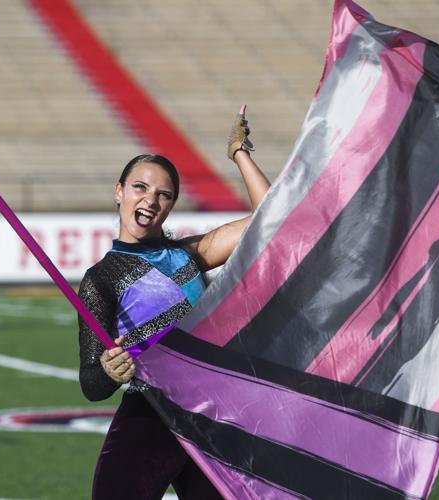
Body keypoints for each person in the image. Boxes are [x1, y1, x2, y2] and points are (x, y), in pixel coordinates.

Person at [77, 105, 270, 499]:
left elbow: (271, 216)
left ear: (171, 206)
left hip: (213, 414)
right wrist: (109, 372)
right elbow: (91, 385)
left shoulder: (190, 254)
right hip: (152, 412)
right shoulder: (100, 280)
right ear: (119, 191)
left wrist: (239, 152)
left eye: (164, 194)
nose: (151, 199)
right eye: (140, 187)